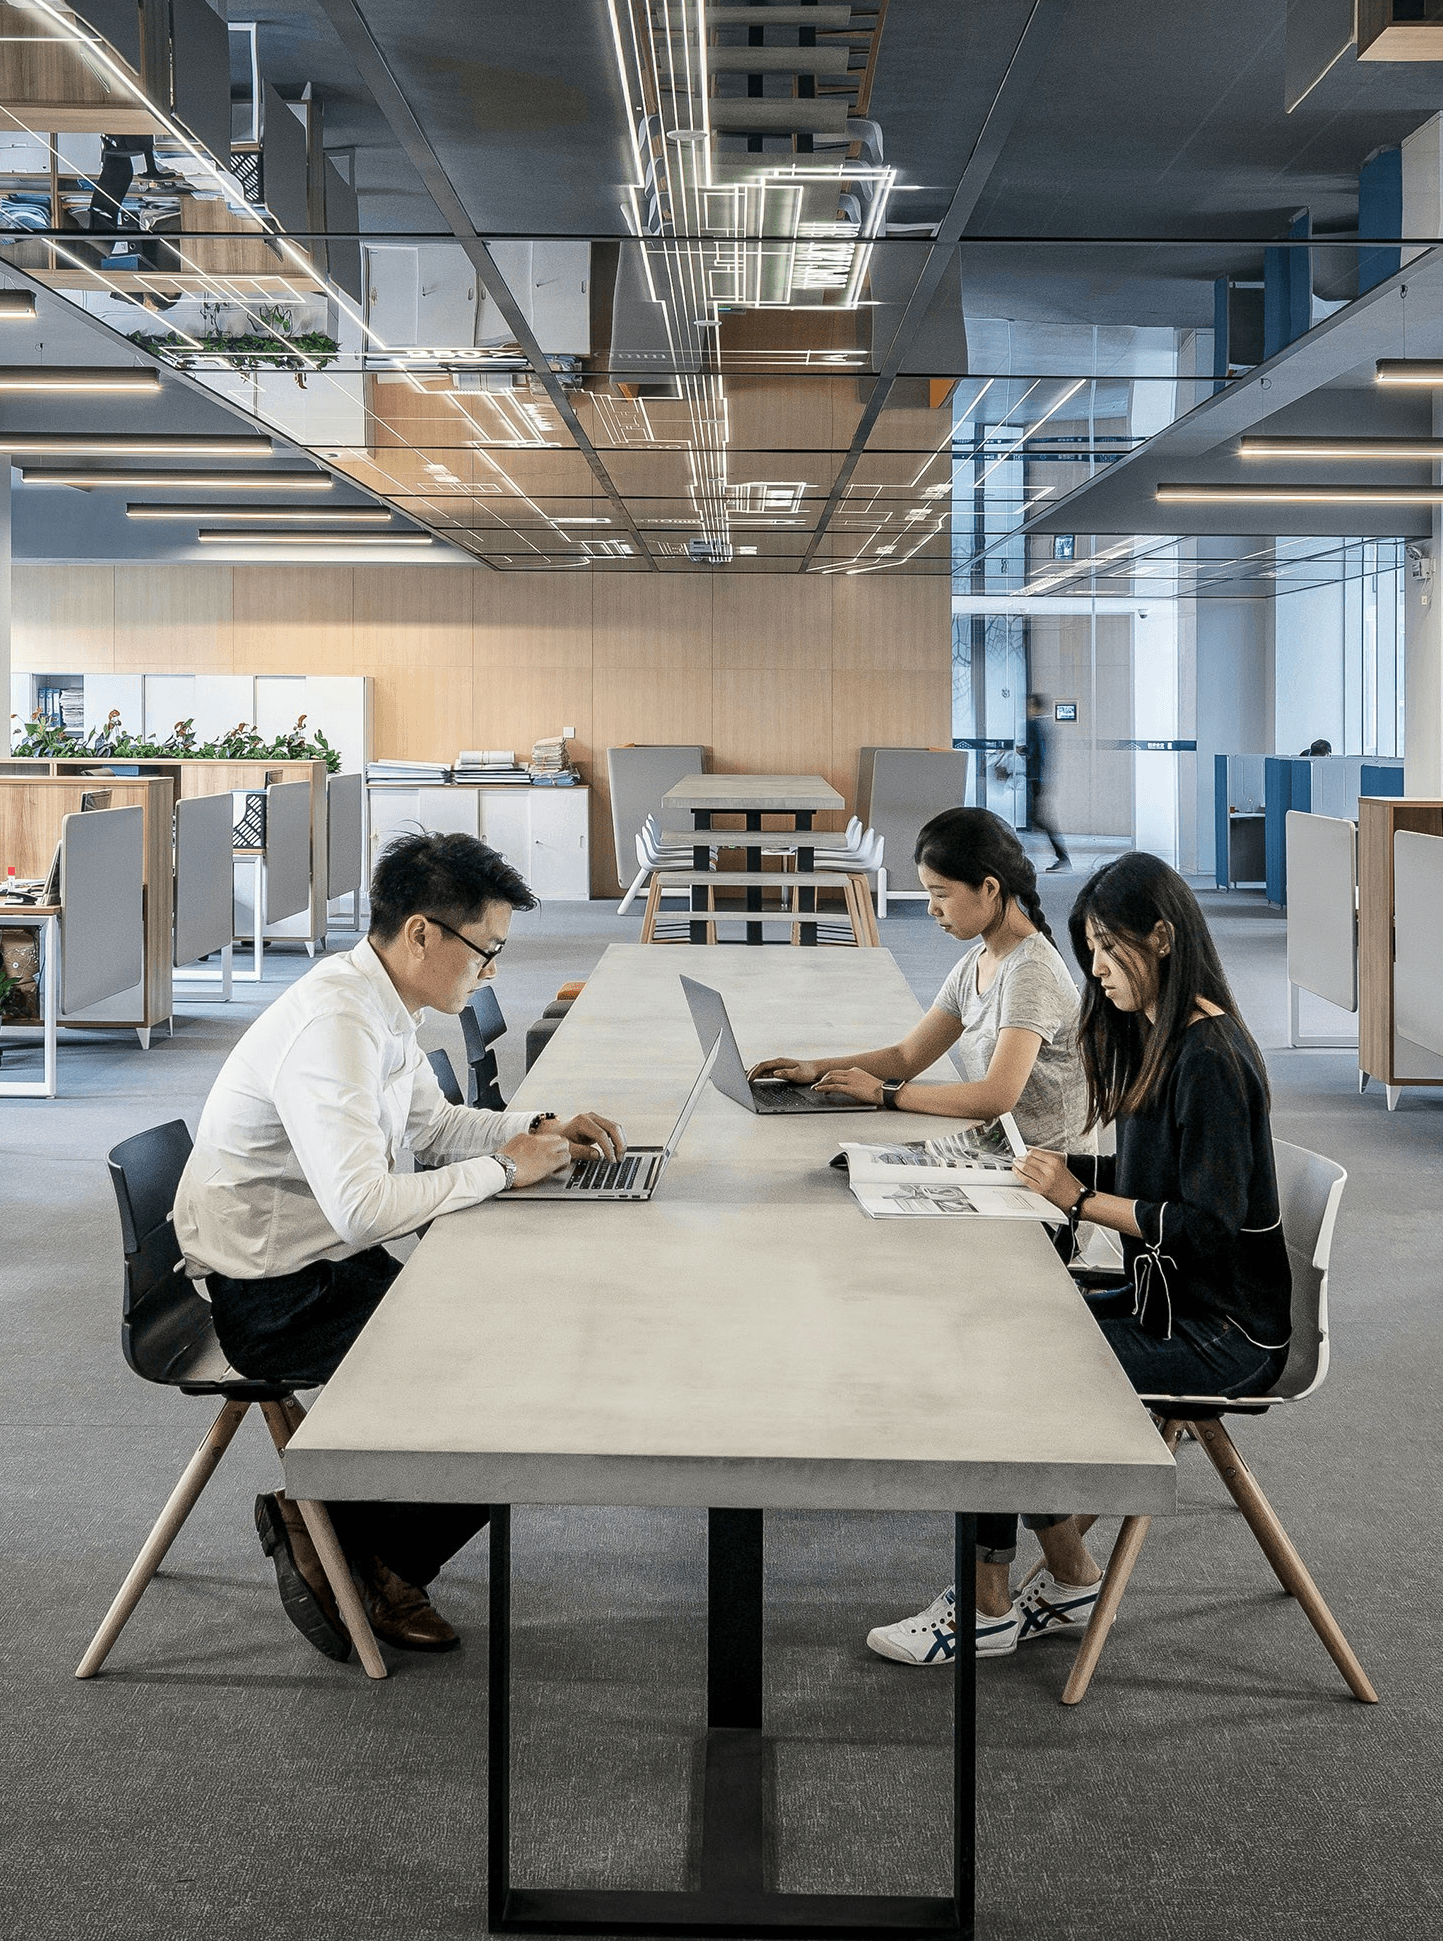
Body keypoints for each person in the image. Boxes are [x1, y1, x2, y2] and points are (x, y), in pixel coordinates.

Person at [173, 831, 625, 1661]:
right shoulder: (334, 1024)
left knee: (531, 1343)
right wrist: (504, 1169)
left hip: (323, 1264)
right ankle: (365, 1549)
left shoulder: (381, 1004)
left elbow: (431, 1124)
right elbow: (360, 1208)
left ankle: (343, 1527)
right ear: (421, 933)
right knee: (516, 1384)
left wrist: (538, 1127)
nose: (492, 971)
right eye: (485, 950)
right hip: (275, 1295)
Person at [865, 851, 1292, 1666]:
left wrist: (1078, 1197)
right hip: (1168, 1299)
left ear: (1161, 937)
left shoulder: (1209, 1058)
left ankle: (987, 1606)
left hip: (1223, 1333)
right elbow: (1157, 1180)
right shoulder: (1164, 1038)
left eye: (1106, 947)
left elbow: (1206, 1227)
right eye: (1088, 948)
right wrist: (1050, 1172)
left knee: (1005, 1371)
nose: (1093, 969)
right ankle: (1068, 1576)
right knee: (1002, 1331)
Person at [747, 807, 1091, 1157]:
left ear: (989, 888)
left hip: (1047, 1171)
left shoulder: (1031, 971)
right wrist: (814, 1068)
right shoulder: (977, 962)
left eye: (941, 894)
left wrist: (885, 1092)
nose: (931, 908)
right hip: (1003, 1153)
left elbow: (996, 1096)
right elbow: (906, 1056)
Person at [1022, 692, 1070, 872]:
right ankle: (1062, 857)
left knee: (1038, 818)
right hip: (1041, 778)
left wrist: (1025, 753)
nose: (1028, 709)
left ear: (1035, 706)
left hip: (1036, 778)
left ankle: (1062, 857)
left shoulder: (1034, 724)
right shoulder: (1047, 725)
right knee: (1037, 818)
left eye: (1030, 705)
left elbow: (1037, 752)